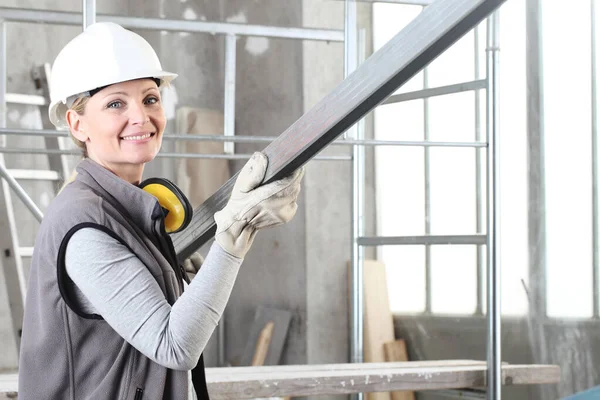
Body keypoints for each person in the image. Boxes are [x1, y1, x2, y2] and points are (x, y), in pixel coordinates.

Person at [17, 22, 304, 400]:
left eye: (150, 99)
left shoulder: (129, 212)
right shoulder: (85, 227)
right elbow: (176, 346)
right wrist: (233, 238)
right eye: (116, 103)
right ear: (77, 124)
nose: (141, 116)